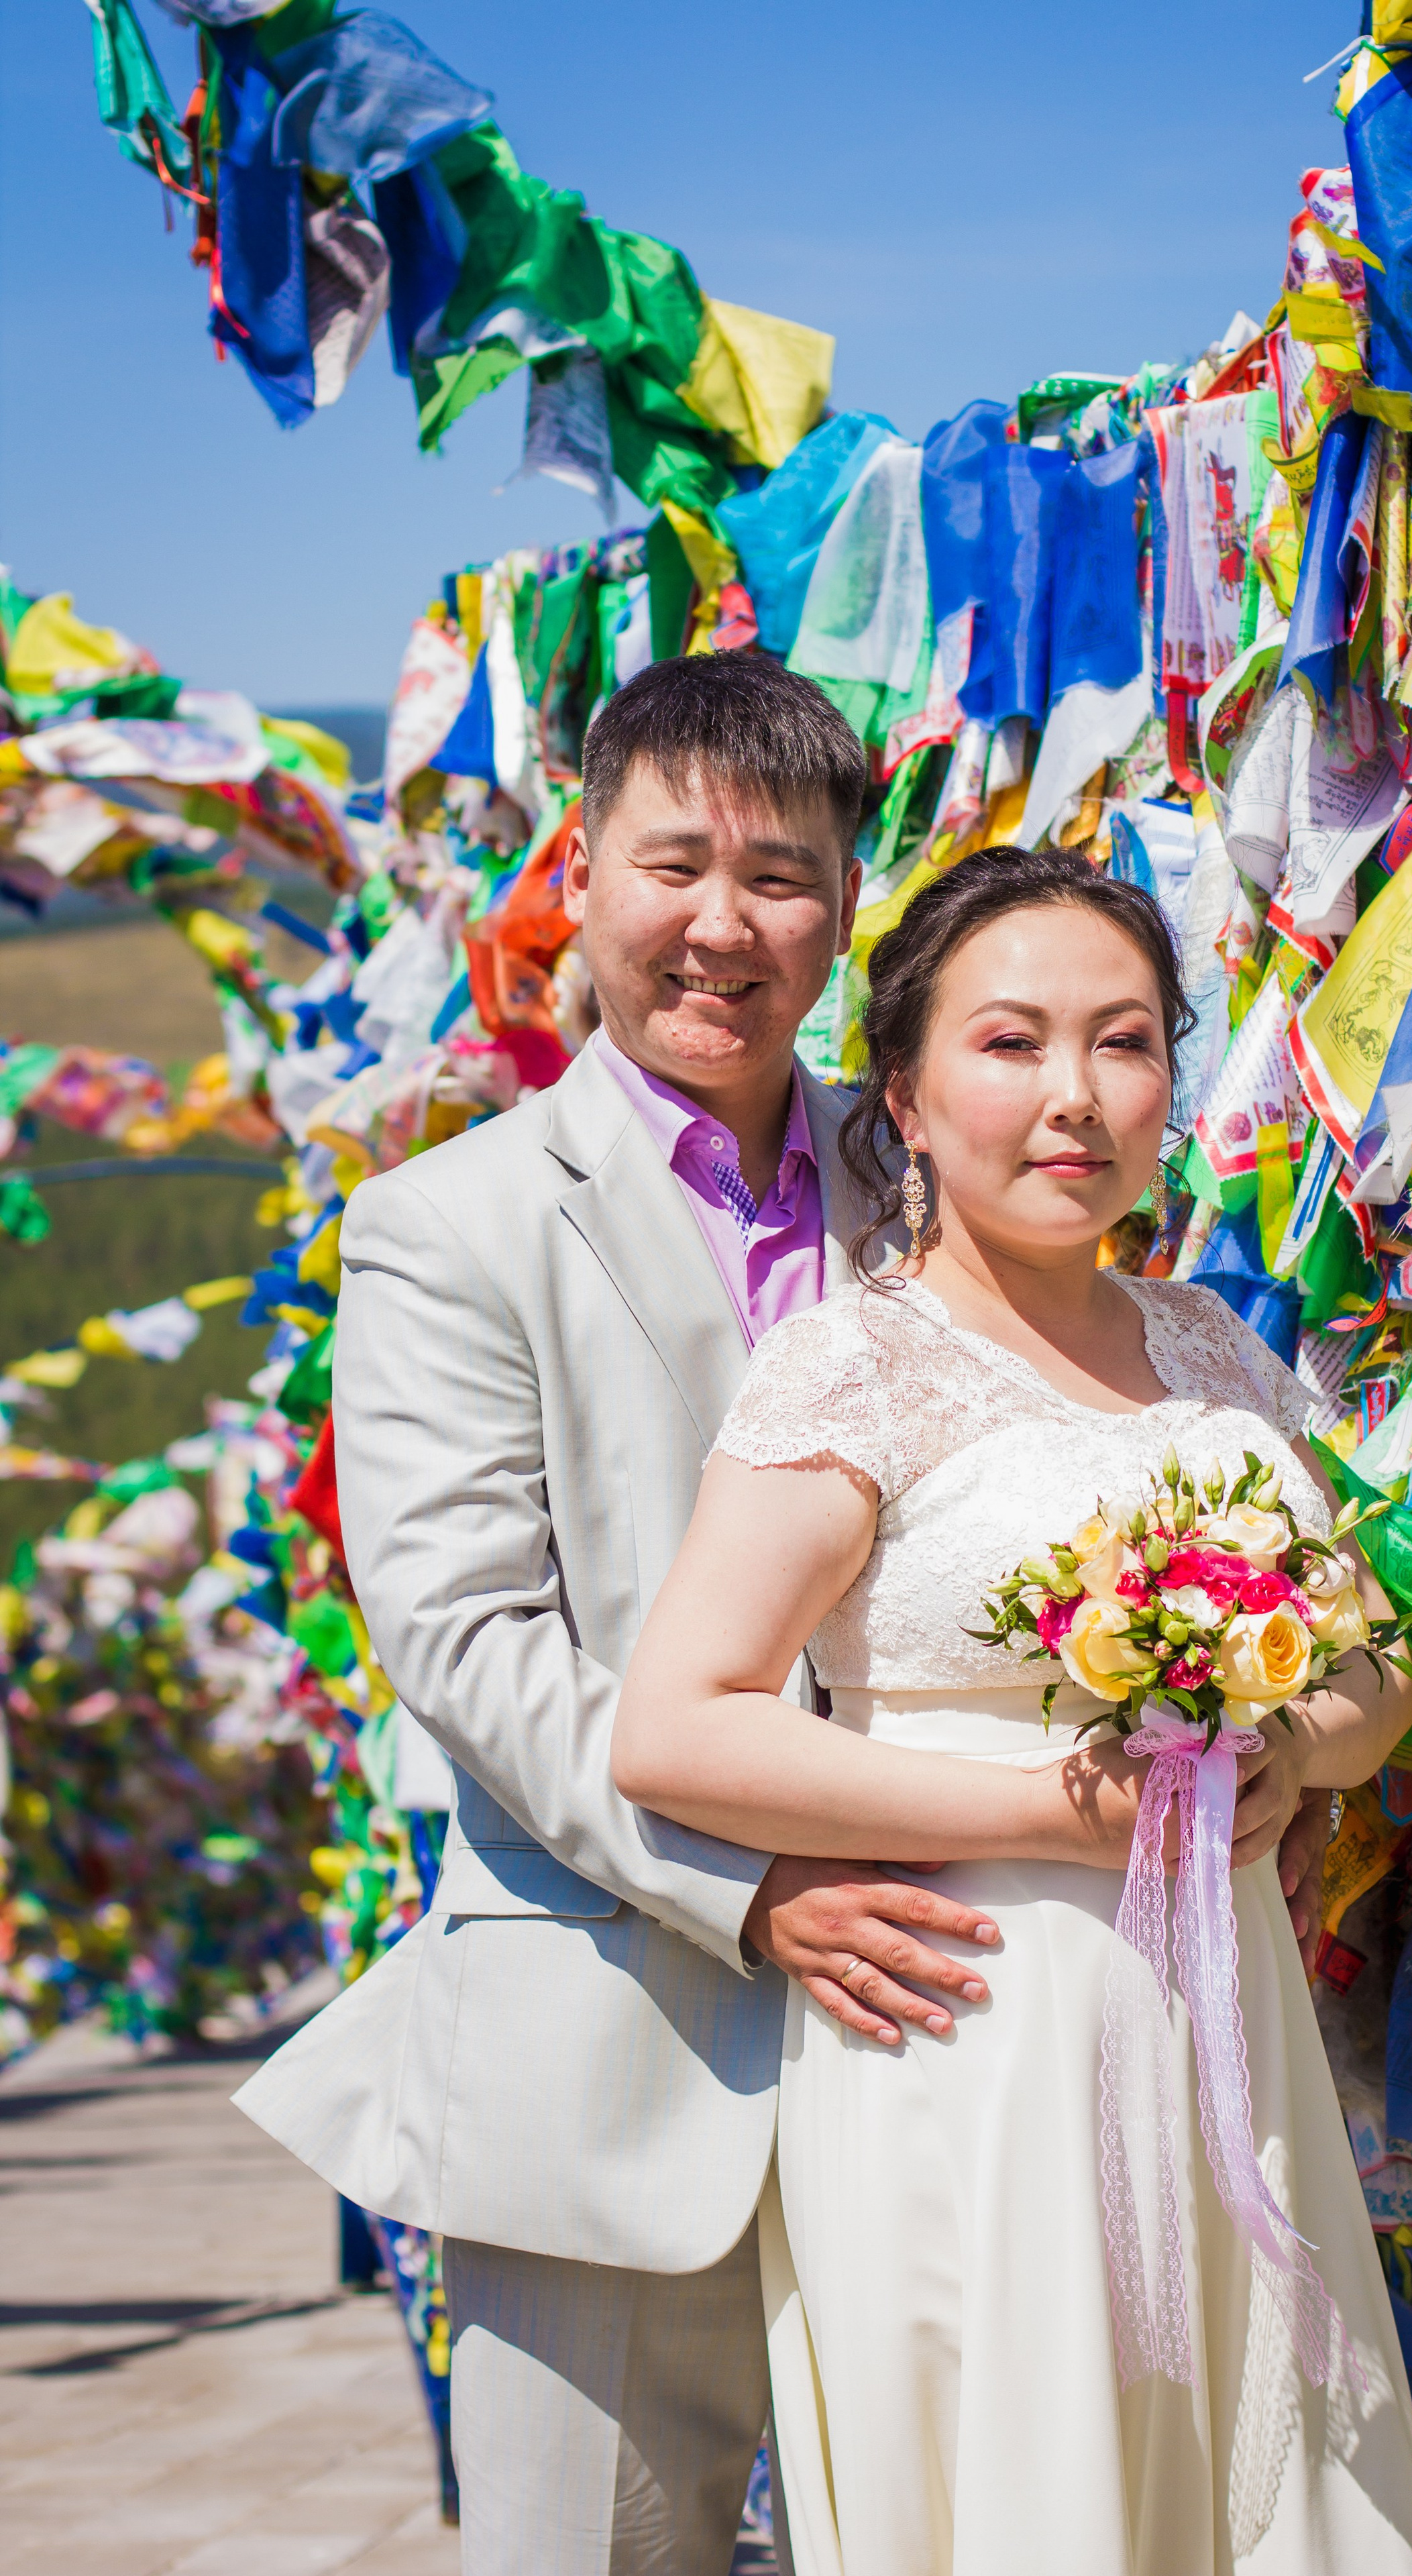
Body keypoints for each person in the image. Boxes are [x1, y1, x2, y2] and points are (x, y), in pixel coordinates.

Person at [231, 654, 1329, 2574]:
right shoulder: (455, 1224)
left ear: (848, 902)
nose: (724, 928)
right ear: (582, 871)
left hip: (972, 2065)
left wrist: (1248, 1740)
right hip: (624, 2027)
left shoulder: (946, 1154)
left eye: (786, 876)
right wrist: (758, 1880)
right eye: (677, 866)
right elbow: (470, 1639)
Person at [612, 845, 1412, 2575]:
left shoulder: (1210, 1341)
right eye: (1013, 1045)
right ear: (904, 1094)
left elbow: (1379, 1666)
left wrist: (1288, 1748)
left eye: (1125, 1044)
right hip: (971, 2022)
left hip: (1224, 2024)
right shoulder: (858, 1362)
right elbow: (678, 1726)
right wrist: (1056, 1814)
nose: (1075, 1098)